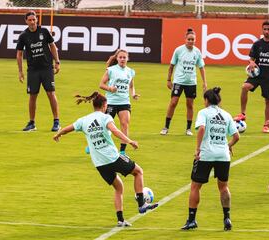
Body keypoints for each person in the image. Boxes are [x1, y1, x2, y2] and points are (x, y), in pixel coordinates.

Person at [53, 92, 158, 227]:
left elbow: (68, 128)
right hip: (112, 157)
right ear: (104, 105)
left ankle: (120, 220)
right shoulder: (105, 117)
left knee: (118, 187)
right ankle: (142, 204)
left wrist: (58, 134)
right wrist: (130, 141)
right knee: (138, 172)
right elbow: (115, 131)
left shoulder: (84, 120)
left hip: (99, 164)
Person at [181, 87, 240, 231]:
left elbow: (201, 128)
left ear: (206, 100)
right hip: (223, 155)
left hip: (206, 155)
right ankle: (227, 218)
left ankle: (191, 220)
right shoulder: (226, 115)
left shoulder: (204, 113)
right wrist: (228, 145)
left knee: (195, 186)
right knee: (223, 187)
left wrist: (197, 149)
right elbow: (237, 136)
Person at [234, 20, 269, 133]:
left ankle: (267, 125)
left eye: (268, 29)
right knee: (244, 87)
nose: (266, 31)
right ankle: (242, 113)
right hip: (257, 74)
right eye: (265, 29)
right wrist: (251, 62)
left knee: (268, 100)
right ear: (262, 30)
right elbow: (251, 58)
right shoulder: (257, 44)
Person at [16, 10, 61, 132]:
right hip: (33, 70)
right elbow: (19, 54)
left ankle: (56, 121)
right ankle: (32, 123)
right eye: (29, 20)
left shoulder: (44, 31)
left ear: (37, 20)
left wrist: (57, 62)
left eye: (34, 19)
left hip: (47, 68)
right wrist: (20, 71)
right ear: (26, 21)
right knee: (32, 96)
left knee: (51, 93)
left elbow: (52, 46)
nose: (32, 22)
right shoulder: (23, 36)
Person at [160, 28, 207, 136]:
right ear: (185, 39)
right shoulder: (178, 50)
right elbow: (171, 66)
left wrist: (204, 82)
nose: (191, 41)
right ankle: (166, 127)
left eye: (193, 39)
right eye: (189, 39)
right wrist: (168, 80)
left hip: (191, 83)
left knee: (190, 105)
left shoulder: (197, 52)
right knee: (173, 103)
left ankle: (188, 129)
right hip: (178, 81)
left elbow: (201, 67)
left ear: (195, 40)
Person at [99, 49, 140, 156]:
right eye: (120, 57)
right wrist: (110, 89)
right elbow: (101, 84)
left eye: (124, 57)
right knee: (105, 126)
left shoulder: (130, 71)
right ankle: (95, 145)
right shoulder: (111, 70)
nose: (122, 59)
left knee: (124, 125)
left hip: (124, 102)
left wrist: (133, 94)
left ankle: (122, 151)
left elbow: (131, 86)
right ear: (117, 58)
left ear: (127, 59)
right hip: (111, 102)